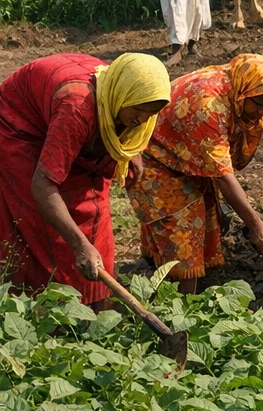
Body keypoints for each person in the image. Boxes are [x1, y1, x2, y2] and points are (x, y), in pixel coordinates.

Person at [0, 53, 171, 305]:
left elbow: (133, 124)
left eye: (150, 114)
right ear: (121, 95)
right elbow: (42, 185)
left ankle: (96, 306)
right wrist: (80, 246)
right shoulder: (77, 106)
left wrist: (130, 151)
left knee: (95, 216)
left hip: (65, 114)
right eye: (138, 110)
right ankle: (41, 311)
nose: (142, 120)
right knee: (43, 228)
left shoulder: (118, 97)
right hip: (23, 127)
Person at [125, 54, 263, 293]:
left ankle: (165, 275)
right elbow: (221, 174)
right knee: (182, 226)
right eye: (259, 102)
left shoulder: (234, 86)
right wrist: (255, 224)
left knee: (207, 212)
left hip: (183, 152)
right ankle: (183, 307)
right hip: (156, 159)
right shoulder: (209, 105)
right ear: (245, 90)